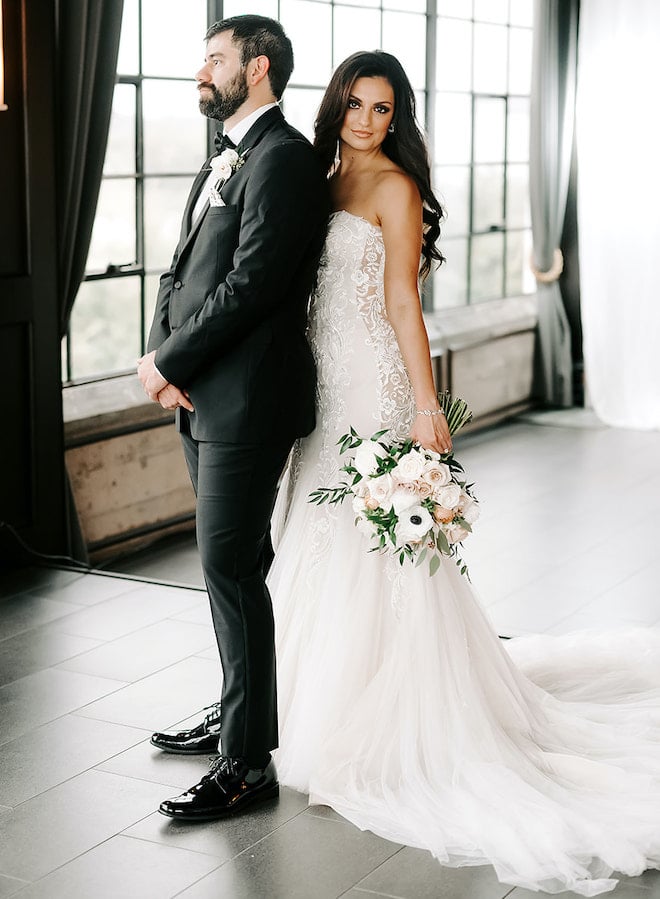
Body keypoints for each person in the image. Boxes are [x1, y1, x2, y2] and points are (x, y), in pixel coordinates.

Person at [266, 51, 660, 895]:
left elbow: (404, 302)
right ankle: (298, 705)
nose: (367, 121)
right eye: (357, 104)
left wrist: (424, 403)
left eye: (384, 108)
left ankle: (384, 720)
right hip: (319, 385)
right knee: (314, 532)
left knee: (380, 550)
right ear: (335, 104)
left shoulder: (396, 189)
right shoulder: (319, 177)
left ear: (397, 116)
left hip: (372, 383)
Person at [137, 15, 329, 820]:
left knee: (229, 568)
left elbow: (250, 285)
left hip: (248, 399)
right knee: (233, 560)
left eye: (213, 58)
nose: (198, 71)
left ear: (257, 69)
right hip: (202, 392)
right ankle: (236, 709)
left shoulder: (282, 159)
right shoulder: (228, 154)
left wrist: (172, 361)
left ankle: (247, 765)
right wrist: (162, 359)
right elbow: (184, 267)